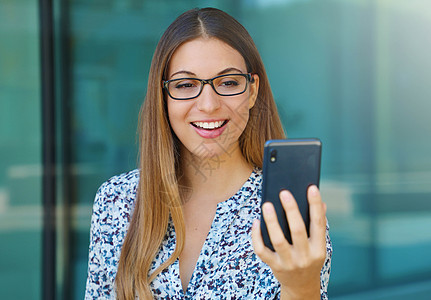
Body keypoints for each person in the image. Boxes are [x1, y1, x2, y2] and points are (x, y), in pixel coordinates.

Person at [85, 7, 332, 300]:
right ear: (163, 97)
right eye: (186, 85)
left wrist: (301, 286)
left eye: (228, 82)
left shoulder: (287, 214)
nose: (208, 105)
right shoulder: (116, 201)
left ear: (252, 91)